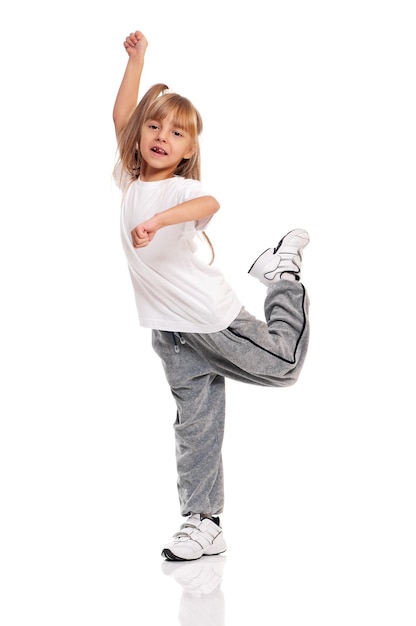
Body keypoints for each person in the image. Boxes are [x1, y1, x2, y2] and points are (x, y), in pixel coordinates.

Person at [112, 30, 310, 561]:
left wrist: (157, 220)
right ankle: (203, 522)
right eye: (153, 126)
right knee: (194, 426)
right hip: (170, 334)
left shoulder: (178, 189)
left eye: (175, 133)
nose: (160, 136)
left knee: (285, 365)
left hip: (210, 319)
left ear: (188, 150)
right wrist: (137, 60)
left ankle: (283, 277)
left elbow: (209, 204)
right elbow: (122, 116)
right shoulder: (130, 179)